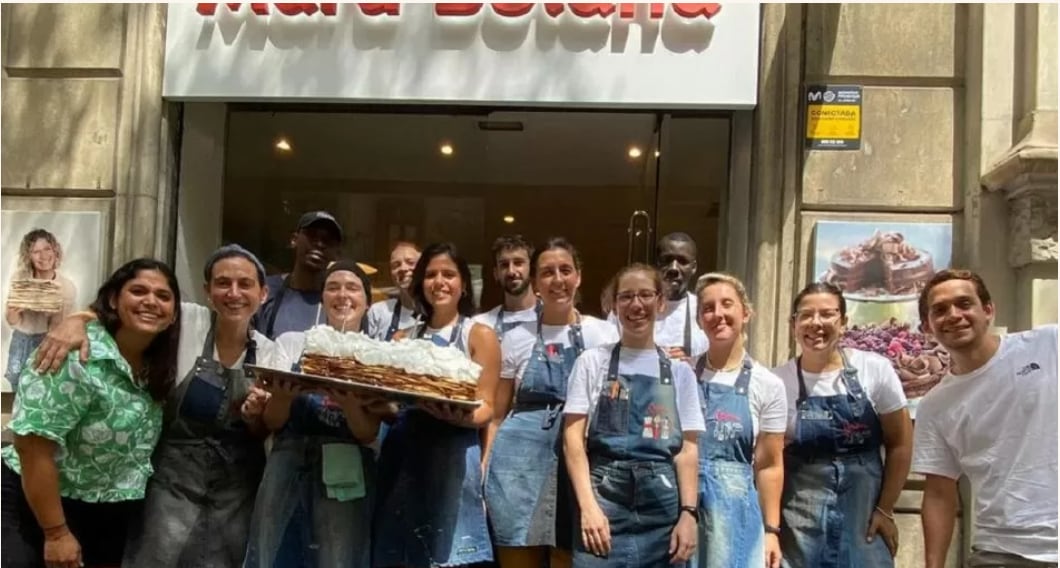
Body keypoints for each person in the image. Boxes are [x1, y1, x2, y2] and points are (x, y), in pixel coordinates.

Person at [33, 245, 293, 567]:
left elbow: (264, 430)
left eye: (245, 284)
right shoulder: (187, 322)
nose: (234, 293)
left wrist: (257, 417)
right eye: (223, 283)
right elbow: (127, 309)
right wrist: (76, 320)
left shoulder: (271, 356)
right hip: (171, 486)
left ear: (263, 293)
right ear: (207, 291)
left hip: (236, 495)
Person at [1, 258, 181, 567]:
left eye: (163, 296)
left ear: (175, 312)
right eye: (138, 291)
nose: (151, 301)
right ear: (113, 299)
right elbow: (32, 446)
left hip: (108, 513)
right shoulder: (73, 354)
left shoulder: (156, 365)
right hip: (38, 507)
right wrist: (56, 533)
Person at [245, 260, 392, 568]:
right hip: (287, 459)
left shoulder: (376, 357)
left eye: (352, 288)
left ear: (367, 302)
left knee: (340, 560)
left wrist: (350, 403)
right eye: (333, 287)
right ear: (323, 297)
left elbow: (367, 433)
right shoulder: (292, 343)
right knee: (271, 554)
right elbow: (273, 422)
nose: (342, 295)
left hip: (347, 462)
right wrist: (283, 396)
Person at [484, 237, 618, 568]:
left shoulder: (603, 335)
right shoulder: (516, 338)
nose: (557, 280)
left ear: (579, 277)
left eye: (565, 270)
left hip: (580, 460)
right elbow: (498, 415)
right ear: (536, 282)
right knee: (517, 550)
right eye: (547, 272)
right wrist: (485, 470)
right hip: (517, 464)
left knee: (570, 554)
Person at [914, 269, 1058, 568]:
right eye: (939, 310)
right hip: (1001, 552)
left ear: (988, 310)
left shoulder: (1049, 344)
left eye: (964, 304)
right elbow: (939, 493)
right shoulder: (935, 405)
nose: (953, 315)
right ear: (927, 327)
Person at [563, 263, 704, 568]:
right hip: (604, 499)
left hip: (662, 506)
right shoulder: (591, 362)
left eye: (645, 295)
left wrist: (688, 514)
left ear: (661, 302)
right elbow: (572, 440)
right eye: (626, 296)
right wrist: (588, 507)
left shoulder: (681, 373)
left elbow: (688, 450)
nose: (636, 305)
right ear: (614, 305)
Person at [372, 242, 501, 568]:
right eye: (430, 274)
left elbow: (487, 407)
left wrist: (455, 416)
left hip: (453, 453)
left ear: (463, 285)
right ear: (420, 283)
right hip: (402, 452)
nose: (439, 282)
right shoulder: (403, 339)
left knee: (449, 555)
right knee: (399, 551)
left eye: (448, 274)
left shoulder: (479, 334)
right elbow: (392, 405)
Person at [772, 282, 913, 568]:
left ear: (844, 322)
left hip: (864, 516)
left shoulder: (875, 369)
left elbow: (901, 443)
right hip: (800, 522)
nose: (817, 323)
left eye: (827, 314)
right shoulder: (776, 382)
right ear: (793, 324)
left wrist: (885, 509)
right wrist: (771, 529)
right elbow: (768, 461)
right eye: (807, 315)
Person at [692, 272, 786, 568]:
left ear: (746, 313)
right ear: (699, 320)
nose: (717, 314)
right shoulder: (681, 375)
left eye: (727, 304)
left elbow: (769, 465)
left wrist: (771, 531)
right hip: (682, 511)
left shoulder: (768, 384)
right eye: (708, 308)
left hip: (736, 518)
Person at [608, 233, 708, 361]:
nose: (674, 268)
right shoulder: (627, 309)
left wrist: (693, 363)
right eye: (667, 260)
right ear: (655, 264)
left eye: (682, 261)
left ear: (693, 267)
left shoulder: (704, 310)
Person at [4, 229, 77, 390]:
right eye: (35, 251)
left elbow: (59, 331)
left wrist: (52, 312)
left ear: (55, 250)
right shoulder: (20, 278)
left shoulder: (67, 287)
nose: (43, 256)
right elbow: (12, 321)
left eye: (47, 249)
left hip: (47, 340)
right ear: (28, 256)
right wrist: (15, 310)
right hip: (21, 339)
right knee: (16, 382)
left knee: (43, 385)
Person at [256, 211, 343, 339]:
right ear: (294, 240)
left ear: (336, 252)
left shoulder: (340, 301)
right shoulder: (266, 290)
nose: (319, 244)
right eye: (312, 236)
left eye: (328, 240)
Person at [473, 235, 540, 338]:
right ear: (496, 274)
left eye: (518, 263)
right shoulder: (480, 325)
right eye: (504, 265)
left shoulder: (556, 318)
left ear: (532, 268)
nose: (511, 271)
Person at [366, 241, 422, 341]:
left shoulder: (439, 315)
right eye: (396, 265)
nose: (403, 268)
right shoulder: (378, 312)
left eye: (410, 262)